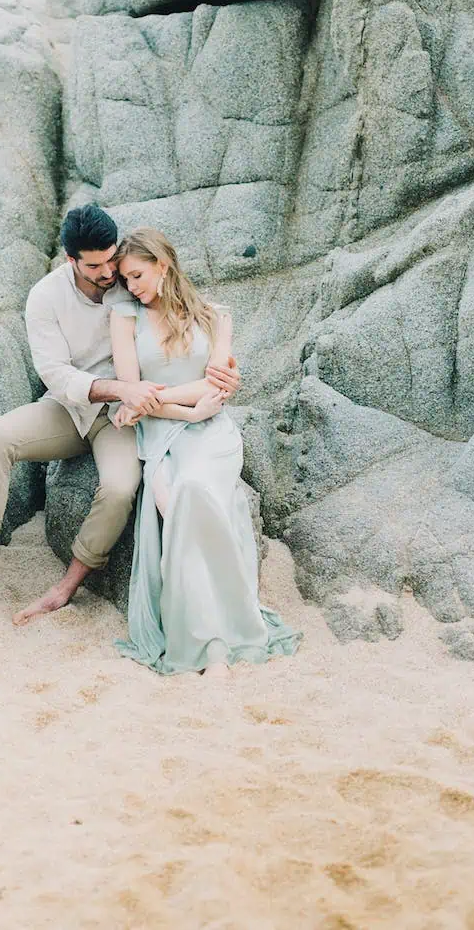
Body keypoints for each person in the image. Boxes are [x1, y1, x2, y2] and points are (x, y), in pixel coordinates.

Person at [0, 206, 241, 621]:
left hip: (125, 419)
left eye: (110, 260)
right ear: (71, 260)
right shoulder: (46, 296)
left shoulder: (130, 283)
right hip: (73, 407)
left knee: (118, 489)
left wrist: (221, 374)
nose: (108, 273)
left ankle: (66, 586)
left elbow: (187, 313)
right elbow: (55, 374)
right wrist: (122, 388)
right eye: (94, 265)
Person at [110, 228, 301, 677]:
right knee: (180, 504)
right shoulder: (124, 318)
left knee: (197, 487)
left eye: (137, 275)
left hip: (213, 435)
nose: (132, 287)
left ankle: (218, 642)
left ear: (162, 264)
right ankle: (210, 644)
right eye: (125, 280)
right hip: (161, 435)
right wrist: (187, 410)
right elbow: (135, 393)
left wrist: (179, 405)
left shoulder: (215, 316)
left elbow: (218, 384)